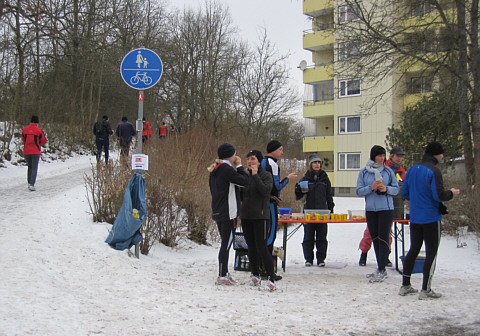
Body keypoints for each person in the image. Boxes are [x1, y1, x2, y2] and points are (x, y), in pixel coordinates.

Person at [399, 141, 460, 299]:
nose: (443, 156)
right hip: (431, 218)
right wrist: (451, 193)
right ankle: (425, 289)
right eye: (442, 154)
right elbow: (438, 195)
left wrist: (418, 199)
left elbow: (405, 193)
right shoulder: (434, 171)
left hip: (416, 217)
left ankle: (405, 285)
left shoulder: (412, 169)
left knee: (413, 250)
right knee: (431, 253)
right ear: (436, 155)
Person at [356, 145, 399, 283]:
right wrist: (372, 187)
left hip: (386, 209)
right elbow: (359, 191)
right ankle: (379, 268)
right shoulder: (364, 172)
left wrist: (386, 188)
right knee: (374, 238)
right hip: (371, 210)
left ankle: (382, 268)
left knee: (383, 238)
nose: (382, 158)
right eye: (379, 156)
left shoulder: (388, 171)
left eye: (383, 156)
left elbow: (396, 189)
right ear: (373, 156)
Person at [208, 143, 249, 286]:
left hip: (219, 210)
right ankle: (221, 275)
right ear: (231, 156)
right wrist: (239, 166)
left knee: (225, 242)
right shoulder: (226, 169)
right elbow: (245, 181)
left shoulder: (215, 168)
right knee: (226, 244)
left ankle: (224, 272)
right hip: (228, 212)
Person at [241, 150, 276, 292]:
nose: (250, 161)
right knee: (251, 246)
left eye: (253, 159)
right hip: (246, 216)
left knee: (262, 246)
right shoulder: (244, 176)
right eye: (248, 159)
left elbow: (265, 191)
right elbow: (241, 195)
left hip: (261, 216)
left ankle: (271, 279)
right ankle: (255, 275)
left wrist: (255, 176)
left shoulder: (266, 175)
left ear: (259, 161)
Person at [295, 154, 334, 267]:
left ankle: (321, 259)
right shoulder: (305, 178)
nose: (317, 165)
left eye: (318, 163)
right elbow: (299, 197)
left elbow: (329, 196)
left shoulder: (325, 178)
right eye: (314, 162)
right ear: (310, 165)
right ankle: (308, 259)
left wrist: (331, 210)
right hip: (308, 212)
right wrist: (298, 190)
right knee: (308, 237)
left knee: (322, 237)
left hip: (322, 212)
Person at [261, 140, 297, 263]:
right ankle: (268, 266)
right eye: (280, 150)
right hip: (270, 202)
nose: (282, 153)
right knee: (271, 235)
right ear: (273, 150)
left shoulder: (262, 161)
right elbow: (277, 187)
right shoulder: (273, 164)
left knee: (263, 234)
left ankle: (262, 265)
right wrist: (288, 178)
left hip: (260, 202)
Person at [22, 115, 47, 191]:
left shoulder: (25, 130)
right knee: (34, 168)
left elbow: (23, 139)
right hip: (35, 151)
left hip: (26, 151)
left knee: (29, 167)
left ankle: (29, 182)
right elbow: (43, 141)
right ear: (37, 122)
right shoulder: (39, 130)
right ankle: (31, 184)